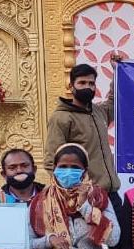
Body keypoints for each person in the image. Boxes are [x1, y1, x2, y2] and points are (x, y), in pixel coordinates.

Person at [28, 143, 120, 249]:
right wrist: (49, 240)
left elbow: (114, 238)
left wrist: (84, 206)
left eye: (75, 167)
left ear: (84, 170)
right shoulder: (40, 202)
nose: (68, 171)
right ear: (54, 169)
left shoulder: (98, 197)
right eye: (63, 166)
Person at [45, 61, 121, 192]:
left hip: (111, 192)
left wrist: (118, 71)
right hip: (84, 193)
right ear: (71, 86)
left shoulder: (99, 112)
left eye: (91, 83)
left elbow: (114, 101)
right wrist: (71, 191)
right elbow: (51, 160)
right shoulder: (61, 118)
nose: (87, 87)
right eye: (82, 83)